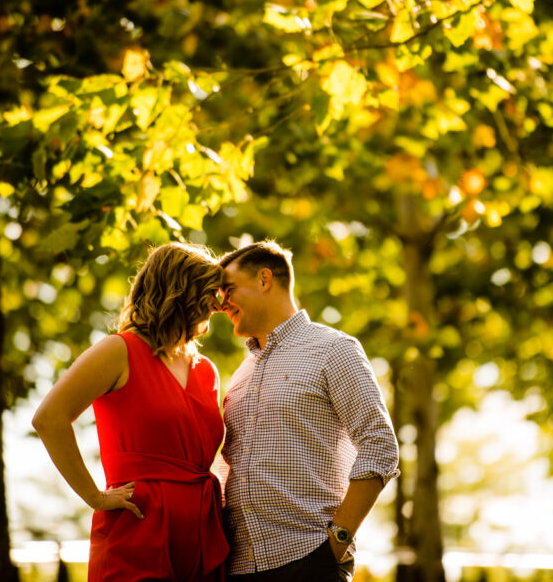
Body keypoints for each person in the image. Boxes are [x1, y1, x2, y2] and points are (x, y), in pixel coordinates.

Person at [32, 242, 229, 582]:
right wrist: (94, 496)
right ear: (180, 292)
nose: (216, 305)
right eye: (208, 293)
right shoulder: (119, 350)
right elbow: (49, 418)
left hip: (200, 534)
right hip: (138, 530)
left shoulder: (206, 370)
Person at [217, 240, 400, 582]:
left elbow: (380, 445)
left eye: (228, 290)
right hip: (239, 566)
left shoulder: (334, 349)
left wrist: (336, 544)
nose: (221, 304)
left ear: (264, 280)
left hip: (309, 561)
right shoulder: (241, 375)